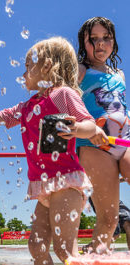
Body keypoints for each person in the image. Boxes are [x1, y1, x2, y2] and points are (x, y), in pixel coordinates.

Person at [0, 37, 97, 264]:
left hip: (66, 182)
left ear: (47, 66)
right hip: (44, 185)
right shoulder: (25, 107)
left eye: (28, 66)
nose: (24, 73)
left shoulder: (63, 95)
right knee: (36, 246)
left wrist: (76, 128)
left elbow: (91, 125)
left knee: (64, 248)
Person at [76, 16, 130, 253]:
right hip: (95, 144)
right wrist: (84, 123)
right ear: (83, 43)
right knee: (109, 220)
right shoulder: (80, 70)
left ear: (113, 41)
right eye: (93, 39)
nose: (100, 44)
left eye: (106, 38)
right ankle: (94, 256)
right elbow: (65, 99)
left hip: (125, 141)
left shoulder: (119, 73)